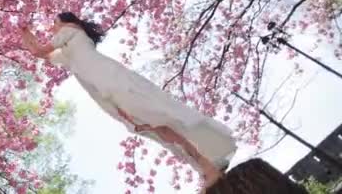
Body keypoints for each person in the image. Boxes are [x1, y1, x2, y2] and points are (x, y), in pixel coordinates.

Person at [20, 12, 237, 190]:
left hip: (112, 81)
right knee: (158, 128)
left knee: (159, 118)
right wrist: (24, 34)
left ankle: (209, 160)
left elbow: (40, 50)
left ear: (67, 22)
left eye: (54, 23)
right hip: (107, 90)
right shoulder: (67, 51)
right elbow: (42, 54)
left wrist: (24, 30)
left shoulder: (70, 31)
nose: (52, 28)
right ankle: (205, 165)